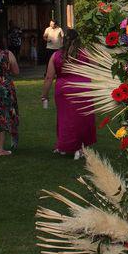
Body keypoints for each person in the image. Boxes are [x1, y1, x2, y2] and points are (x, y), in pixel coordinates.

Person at [41, 29, 97, 160]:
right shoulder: (85, 54)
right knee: (83, 119)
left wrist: (44, 94)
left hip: (64, 90)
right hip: (83, 88)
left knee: (66, 119)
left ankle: (65, 146)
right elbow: (96, 67)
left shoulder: (56, 56)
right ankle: (80, 147)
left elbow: (49, 77)